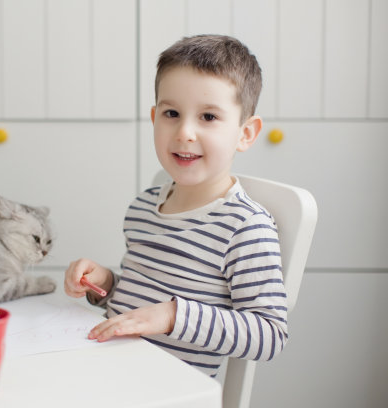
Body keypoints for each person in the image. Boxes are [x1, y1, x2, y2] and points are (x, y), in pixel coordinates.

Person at [64, 35, 288, 377]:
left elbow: (269, 335)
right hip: (108, 373)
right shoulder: (142, 208)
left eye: (209, 117)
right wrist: (105, 283)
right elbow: (138, 306)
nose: (184, 132)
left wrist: (173, 316)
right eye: (171, 113)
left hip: (169, 392)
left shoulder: (245, 226)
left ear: (245, 134)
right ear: (155, 118)